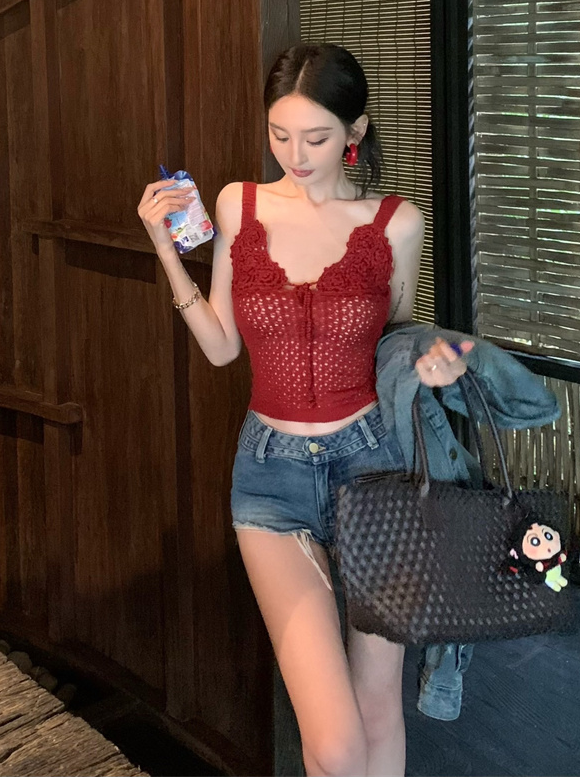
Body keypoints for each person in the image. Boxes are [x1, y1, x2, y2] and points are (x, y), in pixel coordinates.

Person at [138, 44, 472, 777]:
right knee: (336, 744)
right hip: (271, 479)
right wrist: (167, 251)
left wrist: (435, 361)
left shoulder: (397, 223)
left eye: (316, 138)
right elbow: (222, 349)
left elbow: (395, 342)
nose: (295, 155)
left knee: (378, 709)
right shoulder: (238, 205)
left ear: (355, 131)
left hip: (375, 469)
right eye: (280, 134)